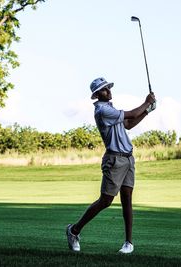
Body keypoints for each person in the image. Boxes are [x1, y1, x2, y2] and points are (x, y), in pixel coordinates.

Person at [66, 77, 156, 254]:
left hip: (128, 158)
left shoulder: (111, 108)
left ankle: (128, 243)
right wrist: (147, 103)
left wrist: (147, 111)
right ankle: (74, 230)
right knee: (106, 200)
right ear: (97, 94)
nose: (109, 91)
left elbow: (128, 124)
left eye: (108, 88)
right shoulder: (102, 110)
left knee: (127, 200)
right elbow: (130, 114)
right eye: (104, 89)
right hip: (114, 159)